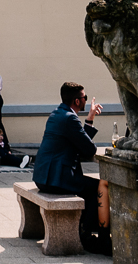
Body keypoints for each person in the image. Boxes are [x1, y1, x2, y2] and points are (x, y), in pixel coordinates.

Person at [32, 82, 112, 254]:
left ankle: (89, 231)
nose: (86, 100)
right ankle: (87, 236)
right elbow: (89, 149)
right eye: (84, 97)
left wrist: (89, 119)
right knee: (96, 188)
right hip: (56, 179)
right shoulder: (70, 118)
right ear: (77, 101)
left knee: (91, 186)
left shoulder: (57, 113)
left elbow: (79, 143)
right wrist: (88, 122)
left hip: (44, 176)